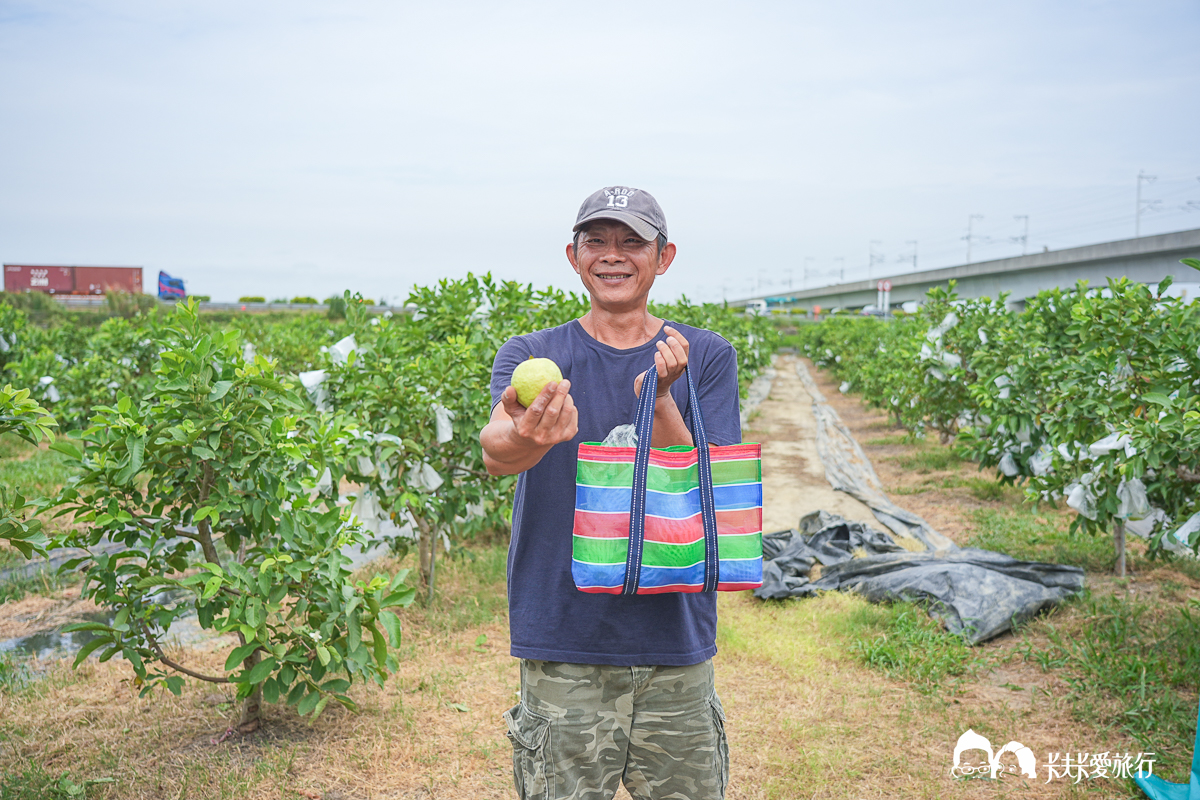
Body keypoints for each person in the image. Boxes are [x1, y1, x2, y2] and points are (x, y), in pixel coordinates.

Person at [480, 186, 742, 800]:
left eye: (632, 241)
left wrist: (662, 399)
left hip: (673, 642)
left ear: (664, 255)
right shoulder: (532, 354)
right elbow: (497, 452)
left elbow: (704, 483)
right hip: (564, 635)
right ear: (573, 256)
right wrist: (532, 433)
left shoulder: (704, 355)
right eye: (596, 241)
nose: (612, 255)